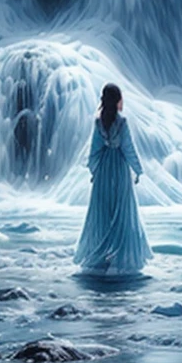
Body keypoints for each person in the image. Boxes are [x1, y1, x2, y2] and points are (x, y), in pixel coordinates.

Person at [74, 83, 152, 275]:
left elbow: (94, 149)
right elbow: (128, 148)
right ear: (117, 100)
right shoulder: (122, 122)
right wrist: (138, 169)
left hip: (103, 169)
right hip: (119, 168)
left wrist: (94, 171)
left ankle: (99, 255)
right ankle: (120, 257)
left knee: (101, 212)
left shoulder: (98, 122)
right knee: (122, 211)